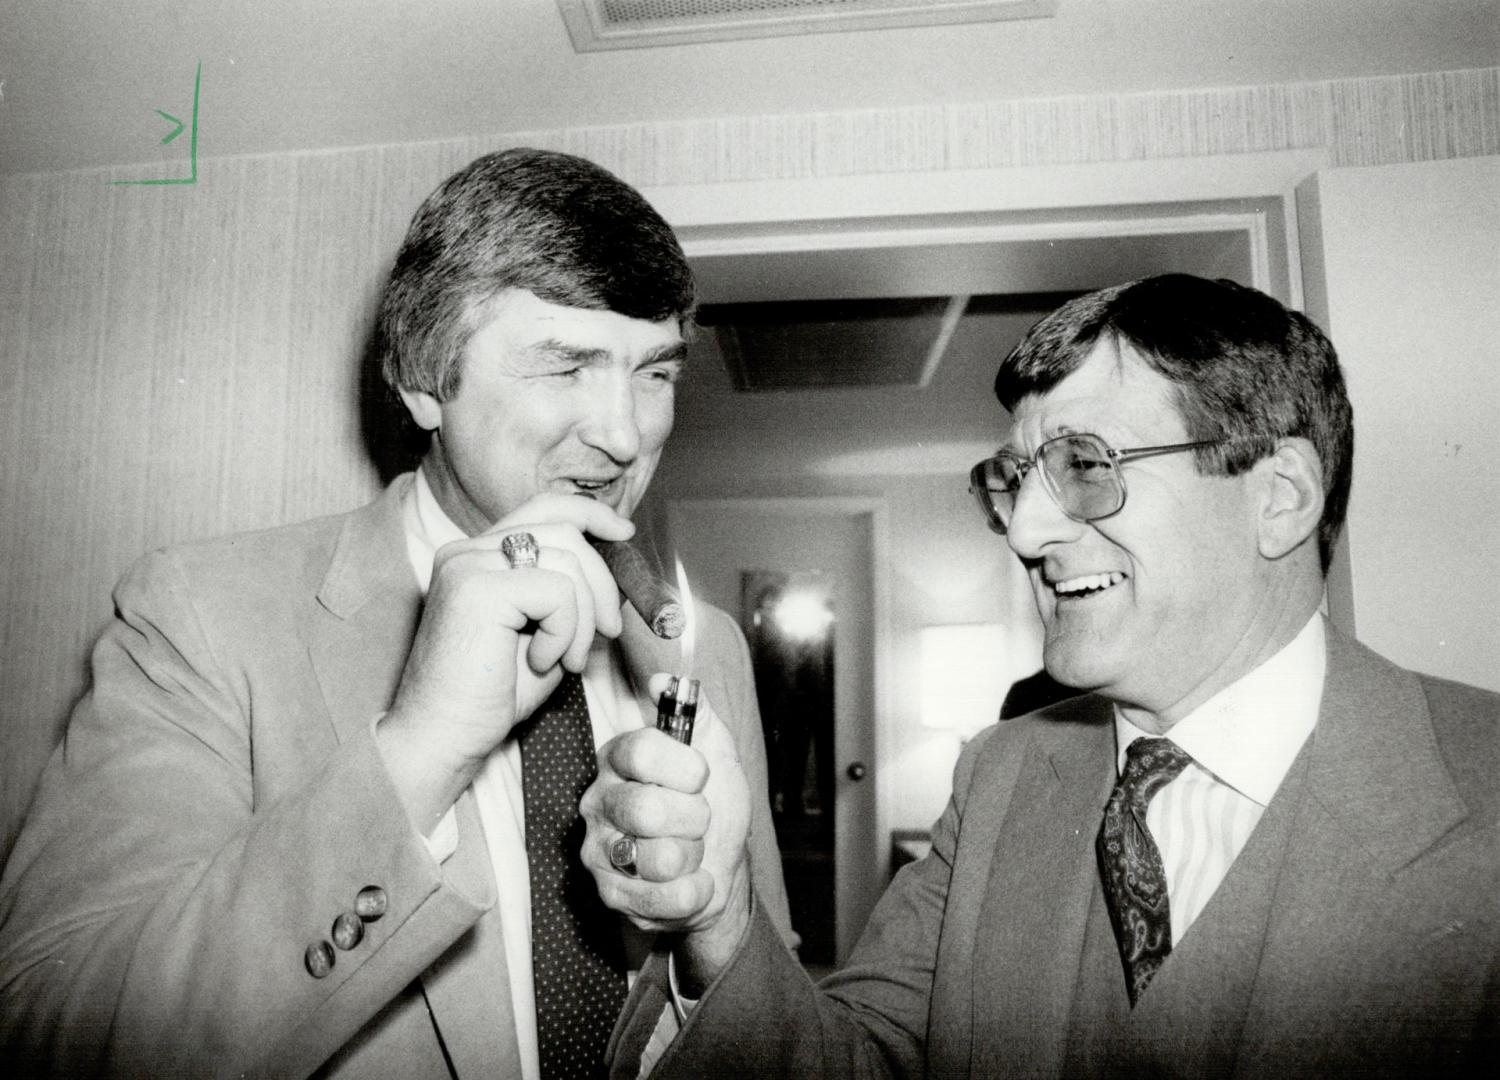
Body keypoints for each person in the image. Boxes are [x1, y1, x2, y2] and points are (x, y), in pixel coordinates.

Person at [0, 148, 793, 1079]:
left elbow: (779, 1043)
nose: (626, 434)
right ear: (423, 378)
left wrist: (714, 934)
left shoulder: (708, 652)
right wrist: (417, 752)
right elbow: (44, 1032)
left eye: (655, 373)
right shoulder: (199, 617)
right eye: (566, 365)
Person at [585, 274, 1499, 1077]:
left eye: (1086, 467)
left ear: (1281, 497)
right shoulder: (999, 776)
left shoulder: (1480, 792)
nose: (1024, 533)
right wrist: (718, 920)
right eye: (1014, 479)